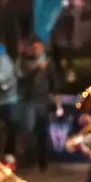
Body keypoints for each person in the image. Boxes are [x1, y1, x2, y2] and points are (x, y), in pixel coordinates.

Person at [12, 38, 56, 169]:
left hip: (43, 100)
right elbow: (21, 78)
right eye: (35, 48)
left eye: (40, 48)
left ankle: (43, 161)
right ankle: (27, 160)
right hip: (28, 101)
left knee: (43, 131)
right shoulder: (22, 62)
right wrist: (36, 69)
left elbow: (53, 79)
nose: (37, 50)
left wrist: (53, 95)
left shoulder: (48, 62)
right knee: (28, 131)